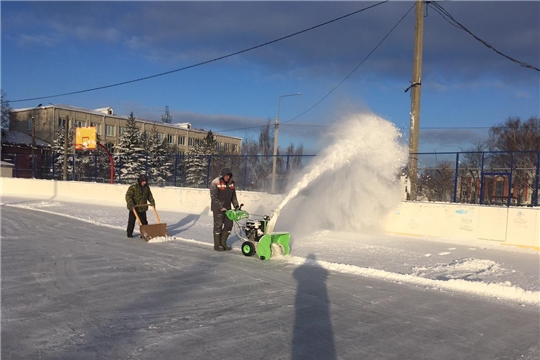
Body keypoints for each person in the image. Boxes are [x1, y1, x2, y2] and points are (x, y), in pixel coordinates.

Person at [210, 167, 240, 251]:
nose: (227, 177)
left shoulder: (231, 184)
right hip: (218, 209)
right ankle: (217, 245)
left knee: (229, 225)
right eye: (226, 175)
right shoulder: (215, 183)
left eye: (229, 176)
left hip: (228, 209)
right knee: (218, 226)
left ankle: (223, 243)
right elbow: (214, 197)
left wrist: (236, 205)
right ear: (222, 175)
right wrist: (220, 207)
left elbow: (233, 196)